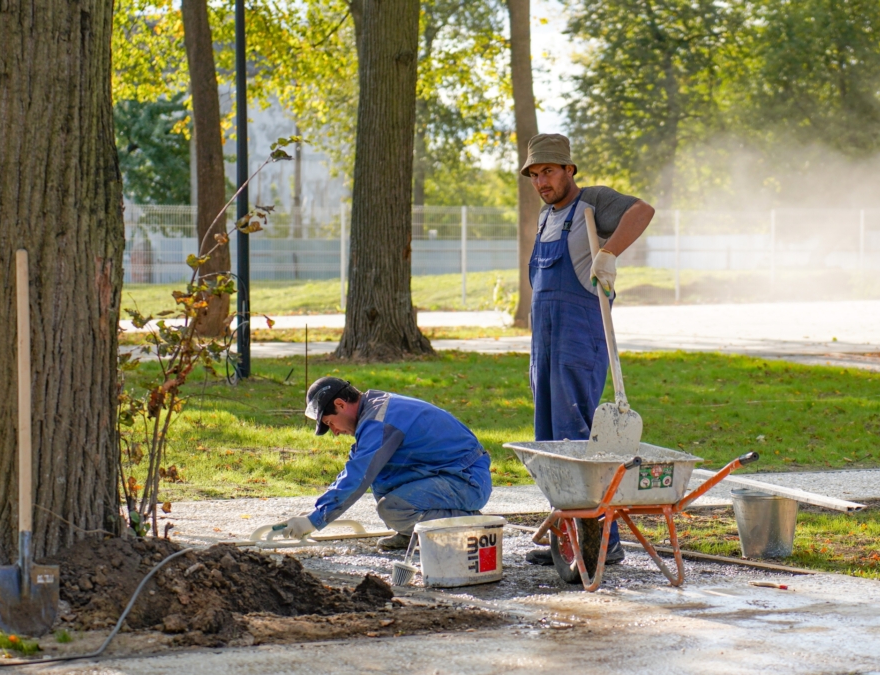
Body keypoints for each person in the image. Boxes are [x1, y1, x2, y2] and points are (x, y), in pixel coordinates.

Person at [519, 133, 656, 565]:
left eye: (549, 171)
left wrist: (609, 254)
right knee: (552, 447)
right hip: (545, 343)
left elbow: (643, 211)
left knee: (577, 440)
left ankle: (603, 544)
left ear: (568, 170)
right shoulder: (545, 217)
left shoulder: (593, 202)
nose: (542, 181)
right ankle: (568, 542)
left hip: (579, 337)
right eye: (535, 174)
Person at [278, 377, 493, 550]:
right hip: (455, 473)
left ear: (340, 404)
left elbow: (357, 477)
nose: (334, 432)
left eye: (329, 423)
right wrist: (315, 512)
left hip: (466, 481)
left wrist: (314, 520)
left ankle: (468, 524)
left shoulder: (378, 422)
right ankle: (413, 533)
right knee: (383, 479)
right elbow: (356, 471)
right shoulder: (374, 409)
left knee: (393, 508)